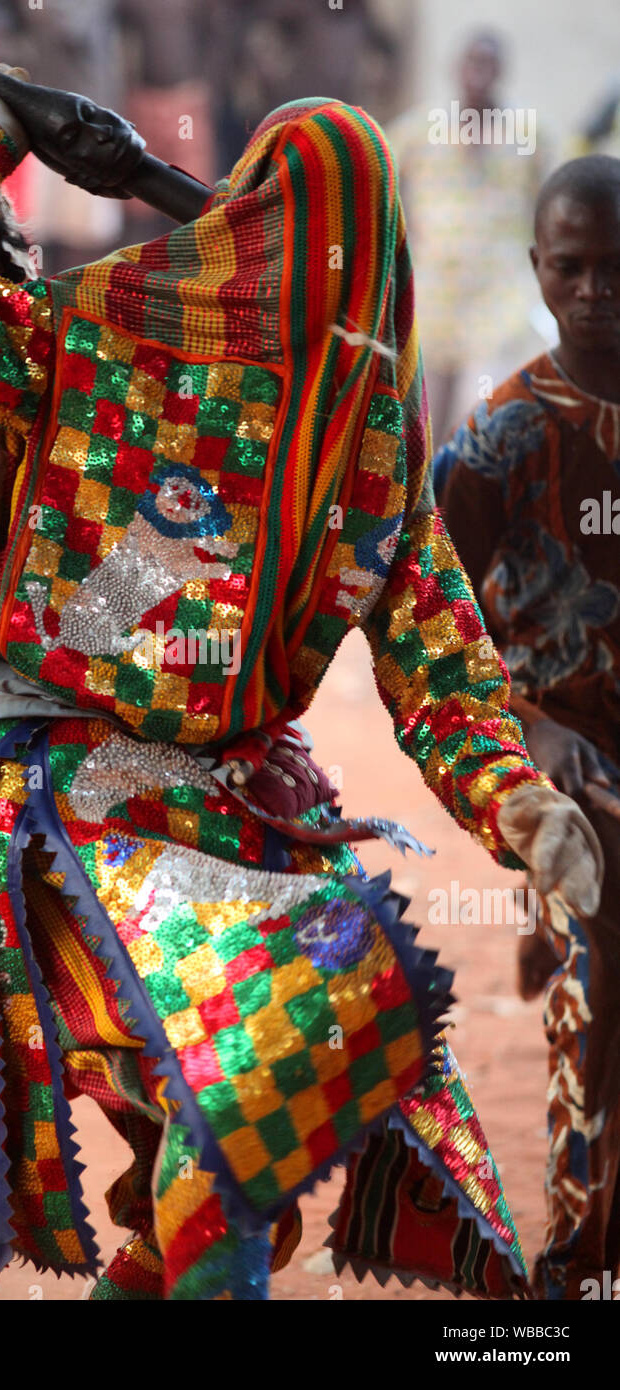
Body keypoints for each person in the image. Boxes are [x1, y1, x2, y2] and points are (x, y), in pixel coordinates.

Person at [0, 49, 601, 1300]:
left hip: (224, 795)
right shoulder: (101, 335)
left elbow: (439, 665)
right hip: (57, 775)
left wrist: (516, 802)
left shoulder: (370, 439)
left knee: (257, 1145)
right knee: (246, 1109)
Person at [435, 154, 620, 1301]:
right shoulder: (498, 439)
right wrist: (520, 738)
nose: (596, 288)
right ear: (537, 273)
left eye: (617, 267)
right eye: (571, 267)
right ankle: (578, 1265)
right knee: (599, 1003)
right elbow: (434, 628)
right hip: (569, 765)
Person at [391, 31, 550, 444]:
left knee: (475, 422)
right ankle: (425, 508)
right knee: (420, 427)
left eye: (488, 62)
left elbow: (552, 203)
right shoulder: (422, 128)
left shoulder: (527, 134)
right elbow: (377, 173)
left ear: (500, 71)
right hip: (433, 300)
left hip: (498, 305)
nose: (479, 71)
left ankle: (464, 505)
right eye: (471, 61)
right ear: (456, 69)